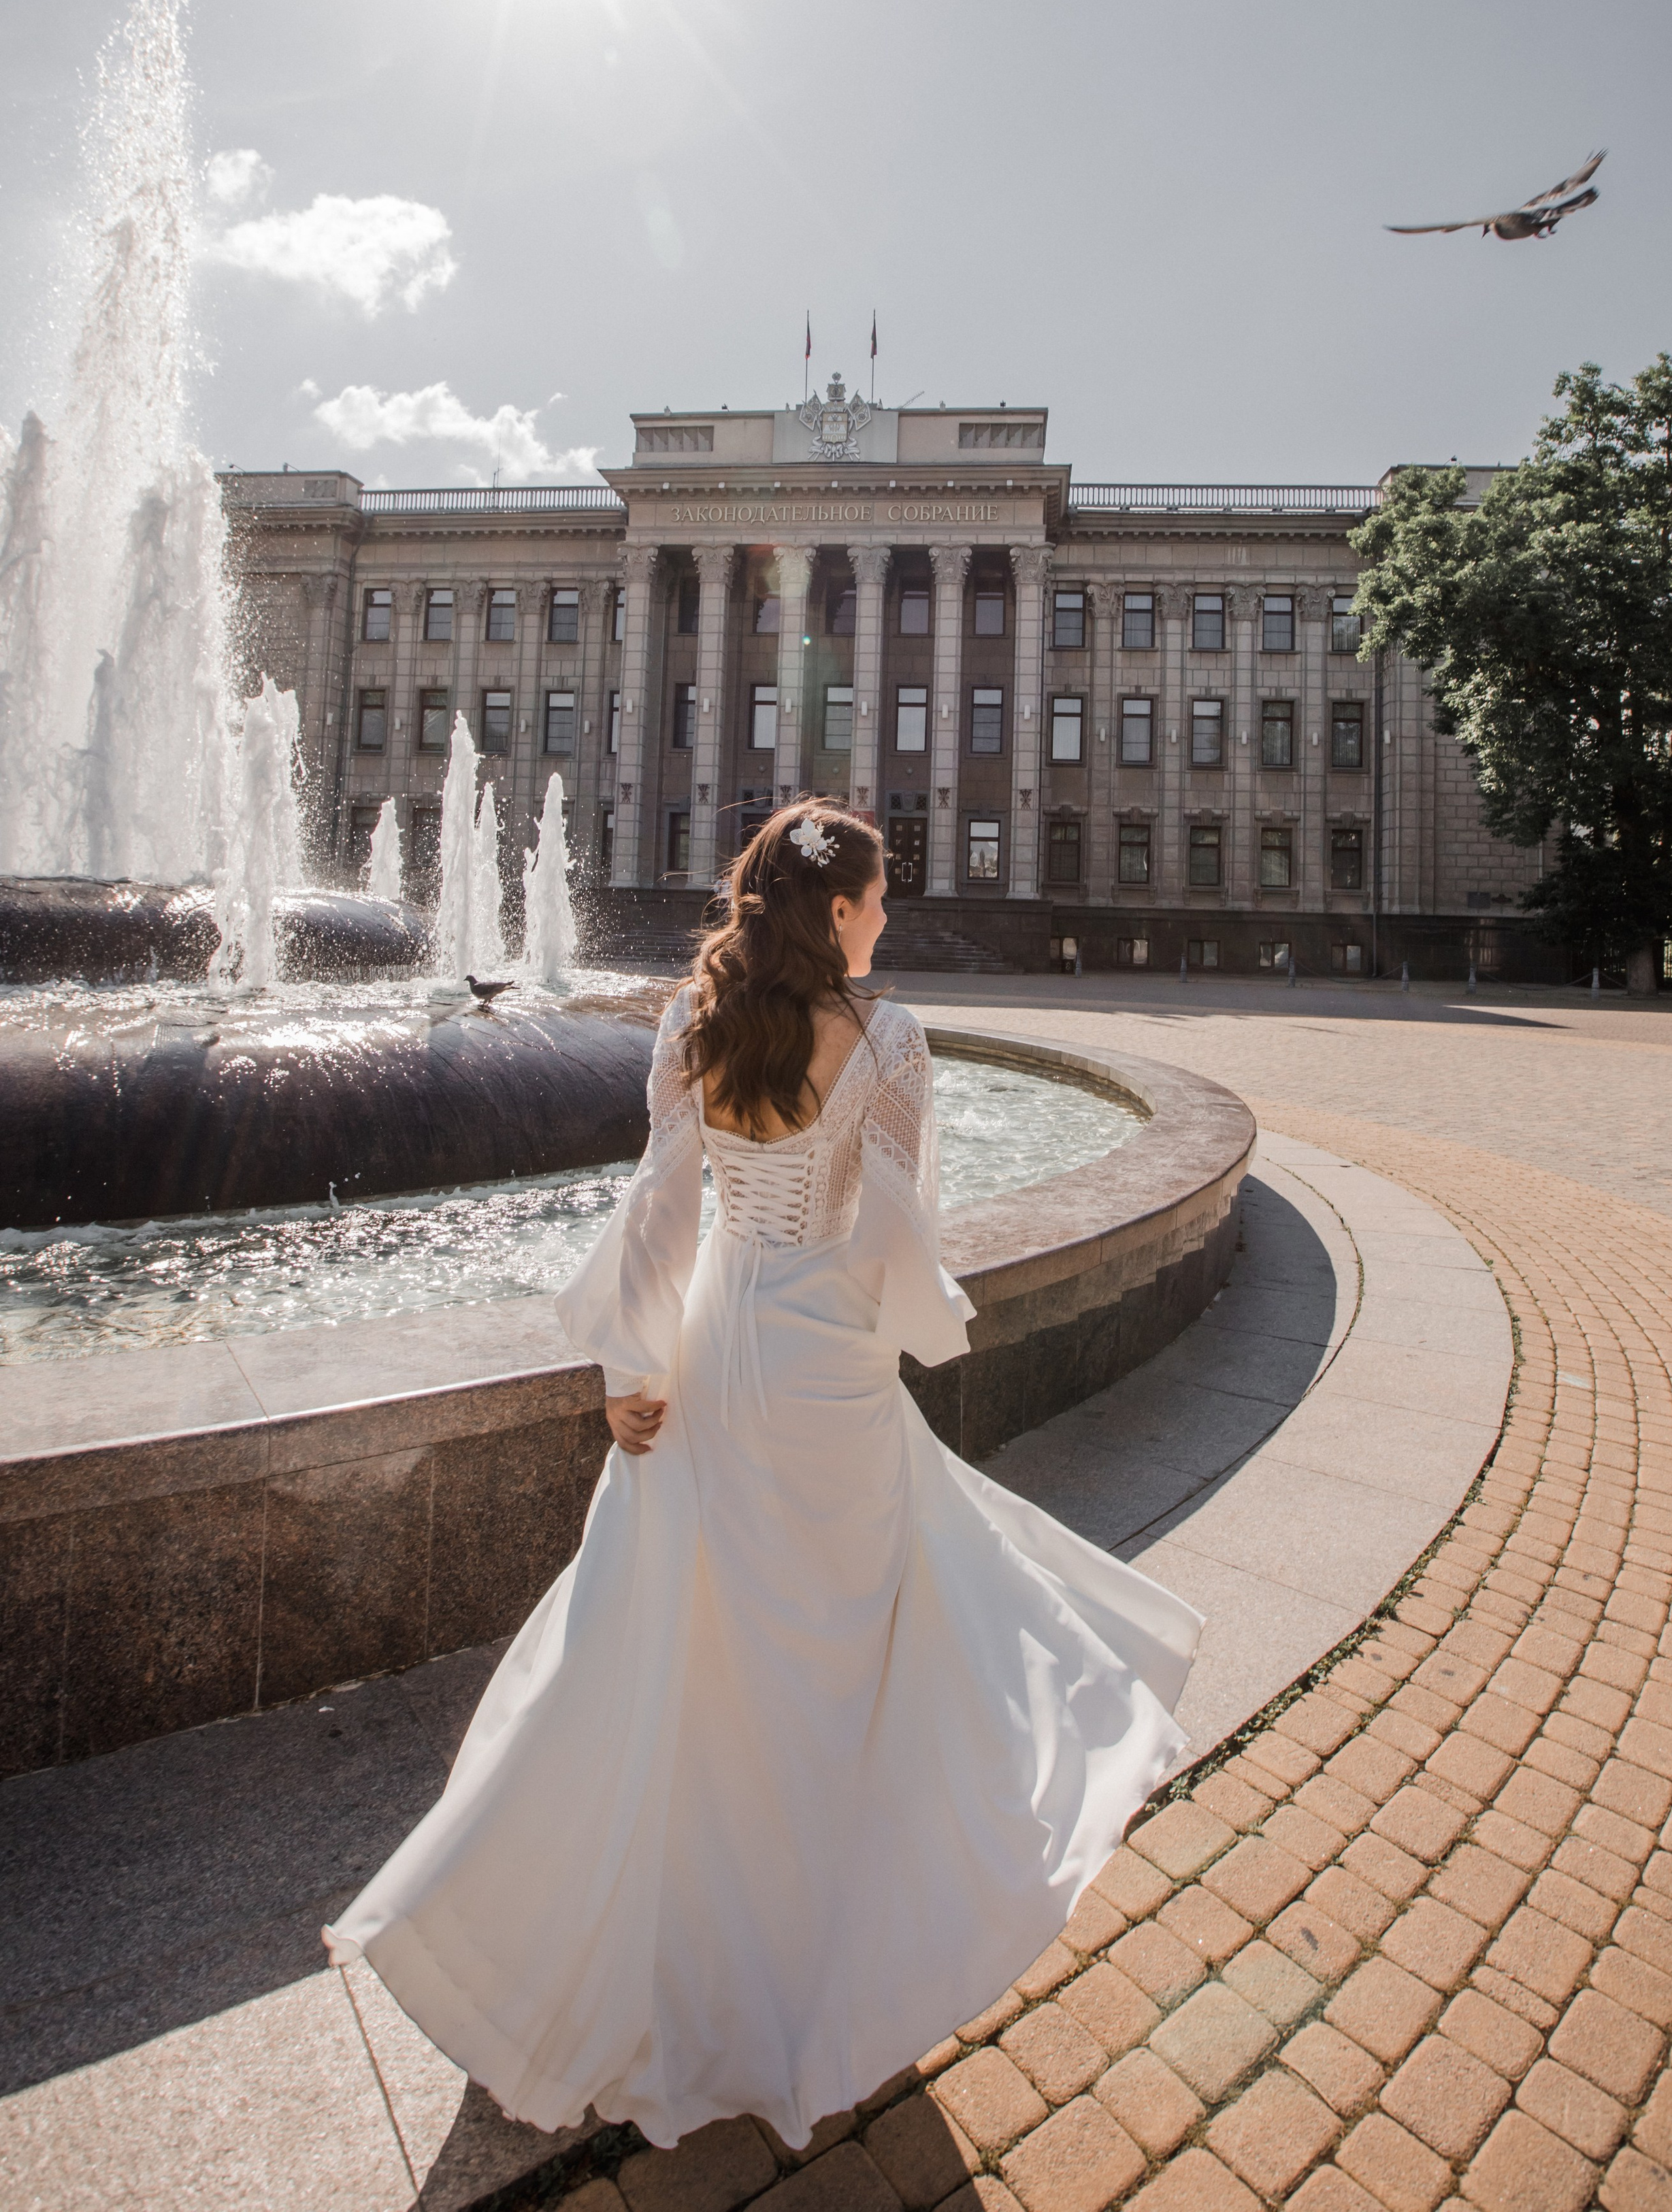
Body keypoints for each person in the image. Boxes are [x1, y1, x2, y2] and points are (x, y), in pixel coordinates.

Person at [325, 799, 1202, 2149]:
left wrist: (626, 1368)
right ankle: (811, 1963)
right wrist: (893, 1336)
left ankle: (560, 1944)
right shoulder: (891, 1040)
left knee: (660, 1643)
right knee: (830, 1666)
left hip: (705, 1348)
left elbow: (661, 1207)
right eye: (879, 897)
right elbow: (895, 1236)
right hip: (822, 1373)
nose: (889, 916)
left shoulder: (692, 1021)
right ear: (837, 910)